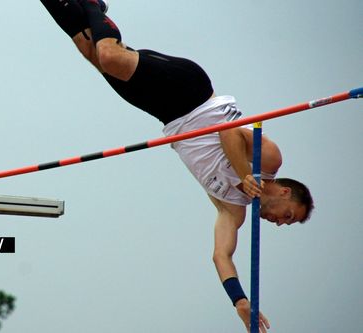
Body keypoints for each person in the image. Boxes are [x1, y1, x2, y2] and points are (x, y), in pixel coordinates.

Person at [40, 1, 314, 332]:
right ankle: (94, 5)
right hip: (190, 92)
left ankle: (74, 6)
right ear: (285, 191)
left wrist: (240, 302)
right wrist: (244, 175)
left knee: (89, 49)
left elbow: (221, 256)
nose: (281, 223)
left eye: (287, 223)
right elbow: (227, 131)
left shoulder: (233, 211)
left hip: (166, 113)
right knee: (109, 57)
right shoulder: (269, 161)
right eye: (289, 215)